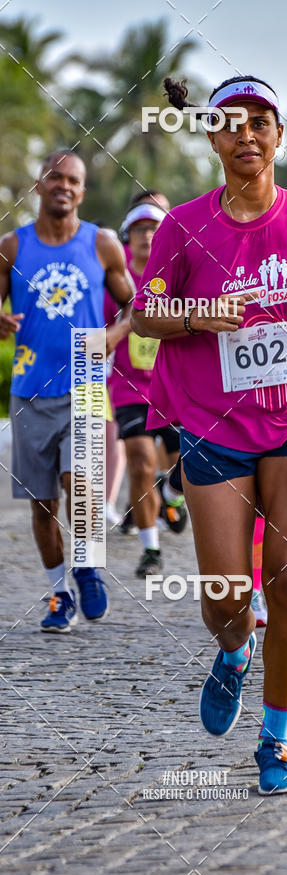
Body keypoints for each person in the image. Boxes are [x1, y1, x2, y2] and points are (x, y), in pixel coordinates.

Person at [131, 74, 287, 794]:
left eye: (262, 122)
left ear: (279, 136)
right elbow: (144, 317)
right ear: (213, 138)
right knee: (227, 597)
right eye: (232, 123)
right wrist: (200, 314)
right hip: (211, 423)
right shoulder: (182, 227)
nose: (248, 135)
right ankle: (233, 652)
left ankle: (276, 740)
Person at [0, 149, 134, 632]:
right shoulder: (11, 247)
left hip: (86, 384)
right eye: (56, 177)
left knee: (81, 485)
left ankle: (86, 566)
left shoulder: (102, 244)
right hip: (29, 389)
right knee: (41, 504)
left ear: (82, 190)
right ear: (39, 184)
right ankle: (60, 594)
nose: (65, 186)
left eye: (74, 180)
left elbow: (137, 308)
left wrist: (111, 339)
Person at [105, 199, 187, 578]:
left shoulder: (177, 276)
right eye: (139, 229)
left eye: (154, 229)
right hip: (128, 390)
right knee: (139, 461)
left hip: (174, 388)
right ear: (128, 236)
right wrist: (125, 322)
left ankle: (171, 493)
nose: (147, 236)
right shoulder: (115, 282)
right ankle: (151, 549)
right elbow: (96, 335)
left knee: (190, 462)